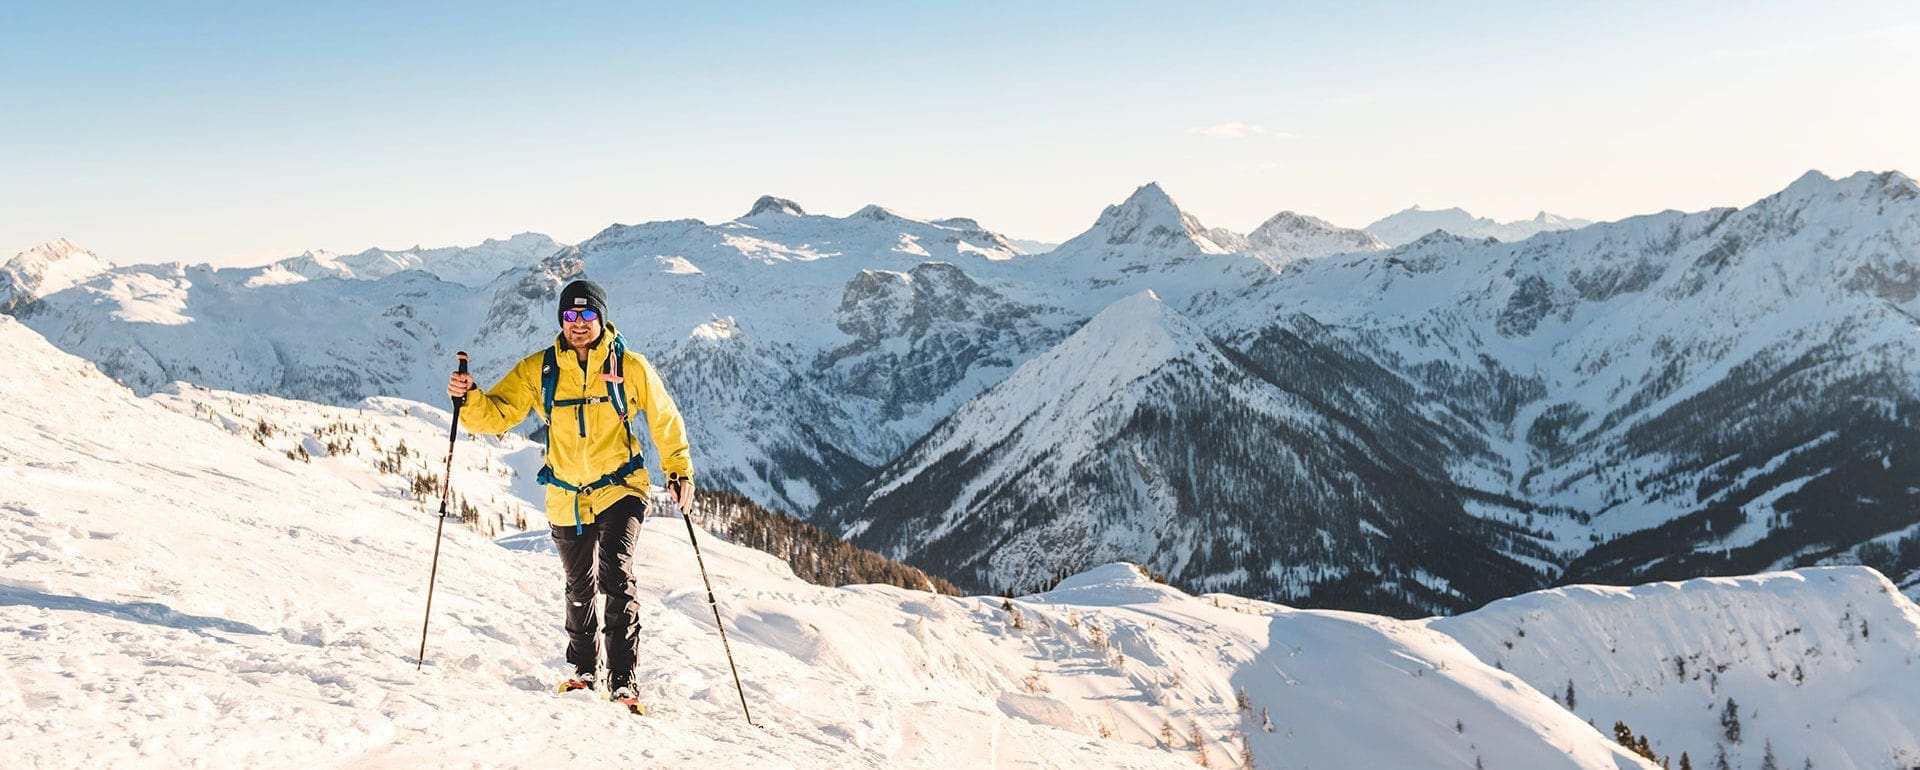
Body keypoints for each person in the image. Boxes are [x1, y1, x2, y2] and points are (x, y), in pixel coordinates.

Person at [447, 278, 693, 707]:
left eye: (587, 315)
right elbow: (500, 413)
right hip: (567, 495)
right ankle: (583, 671)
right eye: (570, 315)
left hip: (620, 486)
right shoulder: (540, 369)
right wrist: (468, 401)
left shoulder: (629, 367)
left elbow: (663, 417)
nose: (578, 324)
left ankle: (623, 680)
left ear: (601, 317)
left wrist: (678, 471)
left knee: (615, 574)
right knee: (579, 586)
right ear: (561, 319)